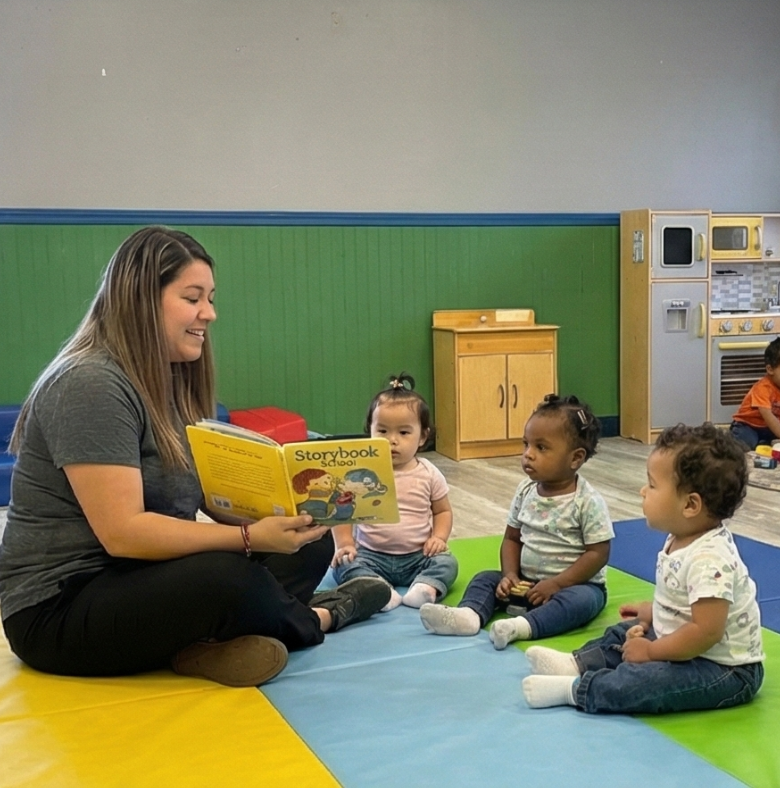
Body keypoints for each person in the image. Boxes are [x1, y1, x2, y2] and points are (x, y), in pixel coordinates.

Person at [0, 226, 390, 688]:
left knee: (309, 546)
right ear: (141, 299)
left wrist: (286, 513)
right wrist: (248, 539)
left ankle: (200, 646)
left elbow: (208, 496)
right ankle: (321, 618)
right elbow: (123, 534)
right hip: (58, 609)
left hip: (137, 580)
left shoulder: (169, 377)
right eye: (193, 298)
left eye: (210, 298)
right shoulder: (90, 383)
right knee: (229, 577)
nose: (210, 313)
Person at [521, 422, 765, 715]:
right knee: (621, 634)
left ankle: (576, 690)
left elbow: (706, 631)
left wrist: (650, 652)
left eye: (651, 485)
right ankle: (576, 663)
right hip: (687, 644)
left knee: (646, 681)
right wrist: (656, 611)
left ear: (690, 505)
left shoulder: (710, 559)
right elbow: (689, 604)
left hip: (723, 669)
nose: (642, 491)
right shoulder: (682, 537)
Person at [419, 394, 613, 651]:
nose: (528, 455)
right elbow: (511, 538)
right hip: (525, 581)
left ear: (575, 458)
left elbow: (598, 553)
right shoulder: (526, 491)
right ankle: (469, 615)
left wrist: (557, 584)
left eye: (541, 448)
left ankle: (523, 626)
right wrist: (510, 575)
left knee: (582, 602)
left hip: (572, 585)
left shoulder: (587, 501)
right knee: (484, 579)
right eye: (526, 444)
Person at [331, 373, 457, 610]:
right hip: (371, 555)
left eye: (404, 432)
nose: (392, 440)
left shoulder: (429, 473)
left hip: (418, 556)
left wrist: (438, 538)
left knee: (448, 563)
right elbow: (342, 511)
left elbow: (443, 511)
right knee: (341, 564)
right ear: (370, 430)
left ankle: (425, 587)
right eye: (383, 431)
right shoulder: (359, 473)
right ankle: (378, 589)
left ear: (423, 437)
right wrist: (345, 543)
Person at [730, 336, 780, 452]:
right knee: (746, 442)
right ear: (770, 369)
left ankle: (765, 442)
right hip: (748, 426)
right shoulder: (763, 387)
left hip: (771, 429)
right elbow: (768, 416)